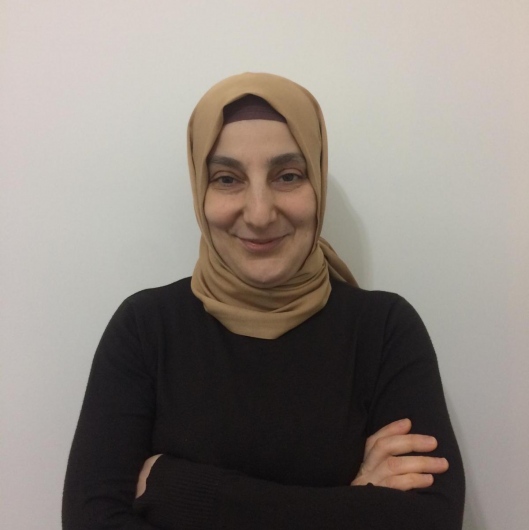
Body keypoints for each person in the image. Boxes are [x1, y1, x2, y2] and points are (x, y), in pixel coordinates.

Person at [63, 72, 465, 529]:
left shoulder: (384, 330)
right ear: (200, 189)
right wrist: (355, 504)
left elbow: (431, 521)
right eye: (227, 178)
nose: (259, 213)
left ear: (316, 183)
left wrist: (181, 493)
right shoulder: (145, 328)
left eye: (288, 176)